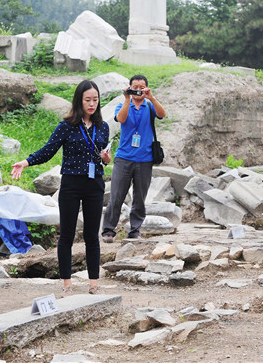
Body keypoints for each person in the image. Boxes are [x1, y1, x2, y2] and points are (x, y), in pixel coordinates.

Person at [11, 80, 111, 296]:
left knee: (92, 235)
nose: (92, 104)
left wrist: (106, 158)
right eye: (87, 100)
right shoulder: (66, 126)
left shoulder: (103, 126)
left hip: (94, 184)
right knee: (67, 235)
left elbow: (104, 158)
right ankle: (67, 284)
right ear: (79, 101)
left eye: (95, 100)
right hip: (71, 185)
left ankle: (94, 284)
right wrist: (25, 162)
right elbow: (48, 150)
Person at [101, 75, 166, 242]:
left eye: (142, 87)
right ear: (129, 87)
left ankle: (135, 230)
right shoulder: (122, 105)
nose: (138, 89)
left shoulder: (149, 106)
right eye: (135, 86)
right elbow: (120, 119)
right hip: (124, 157)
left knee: (140, 197)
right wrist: (127, 99)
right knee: (116, 195)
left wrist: (151, 97)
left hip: (145, 159)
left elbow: (162, 114)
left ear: (146, 88)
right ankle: (108, 230)